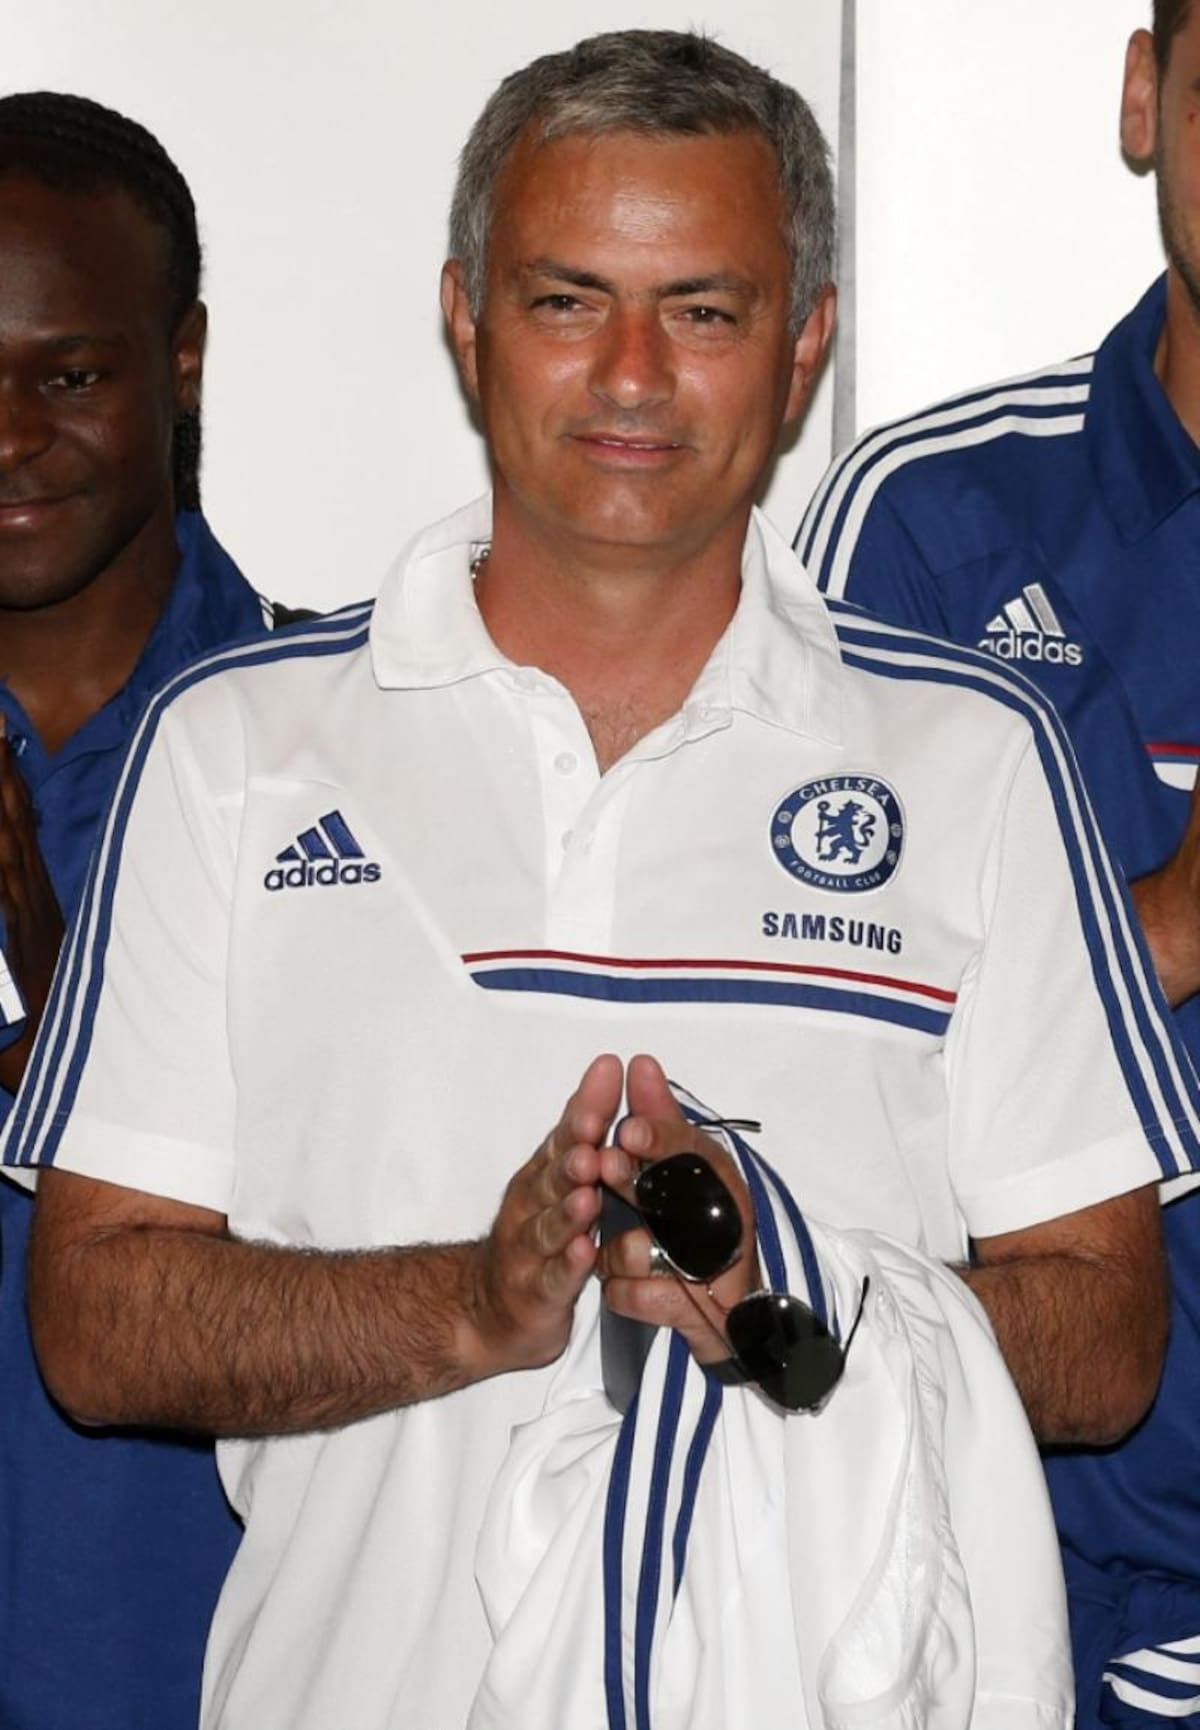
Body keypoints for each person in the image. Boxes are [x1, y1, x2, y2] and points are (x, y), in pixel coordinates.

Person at [7, 30, 1199, 1728]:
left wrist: (798, 1305)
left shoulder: (977, 755)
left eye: (704, 311)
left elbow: (1107, 1344)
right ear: (465, 319)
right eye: (570, 300)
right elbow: (97, 1316)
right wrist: (479, 1299)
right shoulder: (235, 741)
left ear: (803, 352)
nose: (633, 375)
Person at [795, 7, 1200, 1723]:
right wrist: (1172, 925)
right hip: (1034, 1586)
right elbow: (806, 1048)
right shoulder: (936, 515)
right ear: (1145, 92)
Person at [0, 92, 288, 1730]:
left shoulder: (350, 746)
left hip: (209, 1677)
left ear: (179, 360)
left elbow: (418, 1249)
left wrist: (64, 1011)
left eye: (70, 373)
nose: (11, 436)